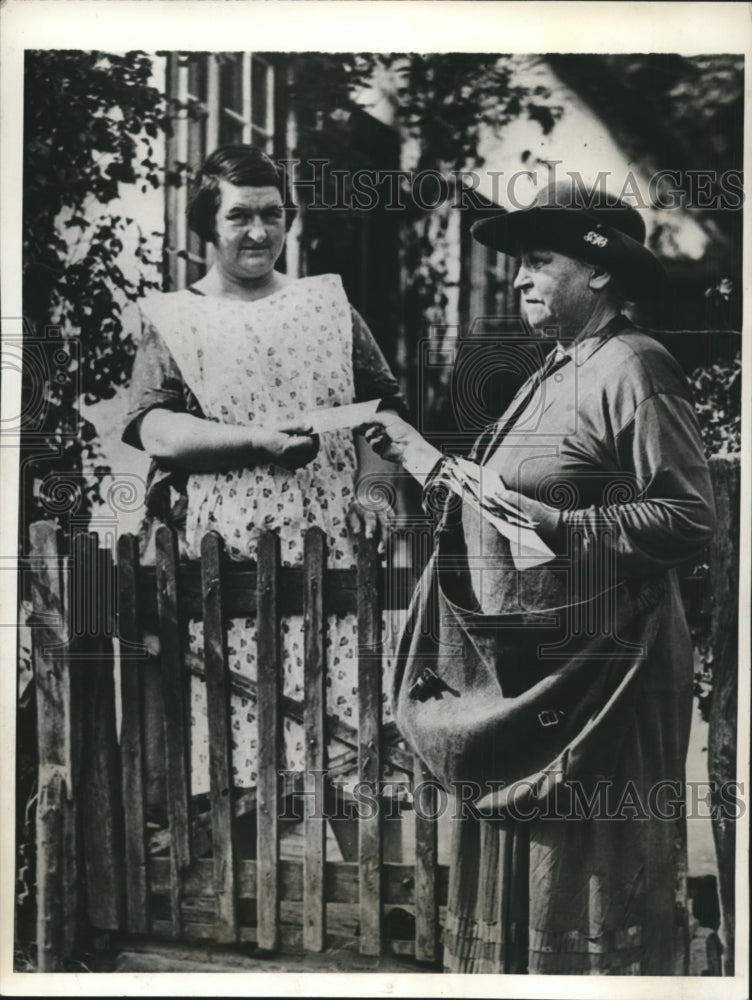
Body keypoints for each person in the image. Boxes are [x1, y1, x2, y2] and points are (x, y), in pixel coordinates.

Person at [365, 180, 716, 974]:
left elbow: (689, 516)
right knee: (524, 899)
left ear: (598, 271)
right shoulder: (550, 372)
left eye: (536, 261)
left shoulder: (634, 366)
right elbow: (502, 504)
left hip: (606, 681)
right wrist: (422, 459)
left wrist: (566, 526)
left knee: (586, 894)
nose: (518, 279)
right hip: (533, 680)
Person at [123, 144, 405, 800]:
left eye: (273, 216)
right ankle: (239, 895)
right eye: (239, 217)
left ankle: (364, 892)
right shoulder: (174, 319)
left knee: (346, 739)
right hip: (227, 559)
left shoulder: (328, 306)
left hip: (330, 551)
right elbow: (154, 428)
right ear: (207, 226)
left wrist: (372, 488)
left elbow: (382, 413)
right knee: (237, 747)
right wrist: (258, 442)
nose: (258, 233)